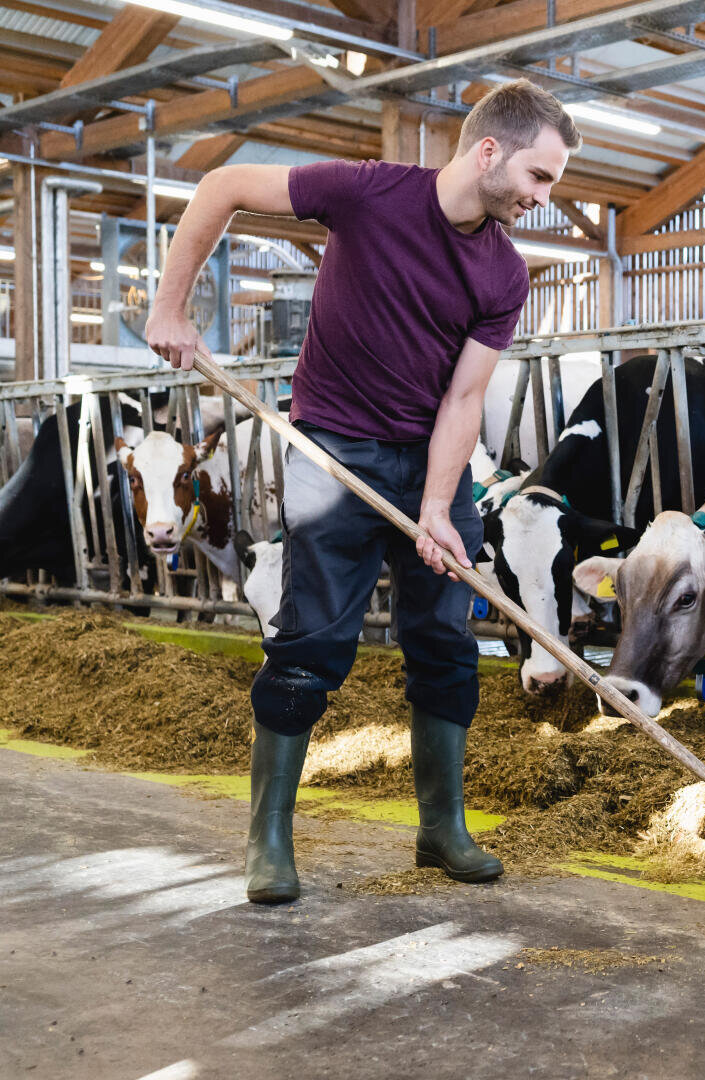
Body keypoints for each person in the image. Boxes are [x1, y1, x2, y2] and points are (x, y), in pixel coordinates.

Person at [145, 79, 579, 903]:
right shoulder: (369, 193)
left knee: (448, 643)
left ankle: (441, 829)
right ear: (489, 152)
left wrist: (434, 512)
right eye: (539, 177)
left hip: (433, 466)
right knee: (311, 645)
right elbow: (223, 186)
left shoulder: (503, 274)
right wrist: (170, 307)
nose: (541, 199)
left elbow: (461, 402)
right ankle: (268, 839)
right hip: (334, 451)